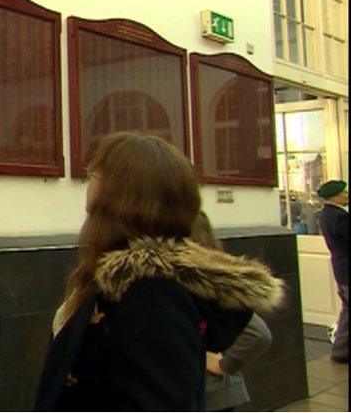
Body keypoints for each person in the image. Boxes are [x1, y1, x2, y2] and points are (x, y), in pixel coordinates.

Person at [34, 132, 284, 411]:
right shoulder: (127, 279)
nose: (89, 182)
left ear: (125, 194)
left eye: (95, 173)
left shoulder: (151, 294)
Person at [191, 211, 273, 412]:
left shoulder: (199, 280)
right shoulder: (210, 275)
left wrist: (223, 365)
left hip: (208, 393)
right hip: (216, 393)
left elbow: (258, 334)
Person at [317, 179, 348, 364]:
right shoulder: (339, 217)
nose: (346, 196)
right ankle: (340, 350)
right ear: (335, 197)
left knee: (346, 311)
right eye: (344, 193)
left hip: (340, 268)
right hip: (346, 269)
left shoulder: (326, 214)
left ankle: (340, 349)